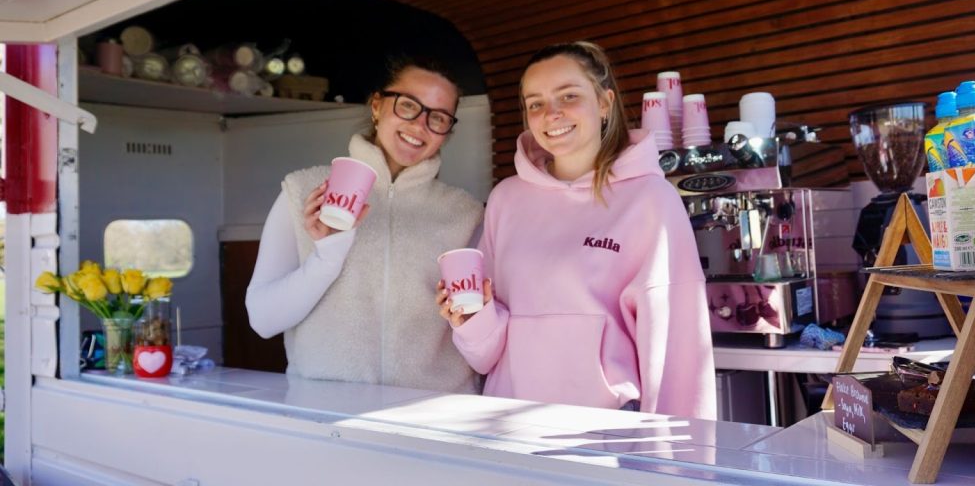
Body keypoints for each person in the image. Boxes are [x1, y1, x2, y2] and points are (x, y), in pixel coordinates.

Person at [437, 41, 716, 418]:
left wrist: (677, 463)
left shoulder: (651, 199)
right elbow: (487, 355)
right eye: (535, 103)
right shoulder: (506, 200)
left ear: (604, 103)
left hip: (603, 437)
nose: (551, 113)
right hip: (507, 430)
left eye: (568, 95)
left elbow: (678, 352)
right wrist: (470, 321)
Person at [248, 55, 483, 393]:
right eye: (408, 106)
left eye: (439, 117)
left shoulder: (466, 212)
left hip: (433, 418)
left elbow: (478, 330)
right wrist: (327, 255)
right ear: (377, 106)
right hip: (329, 417)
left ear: (447, 132)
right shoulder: (303, 191)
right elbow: (263, 319)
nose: (420, 125)